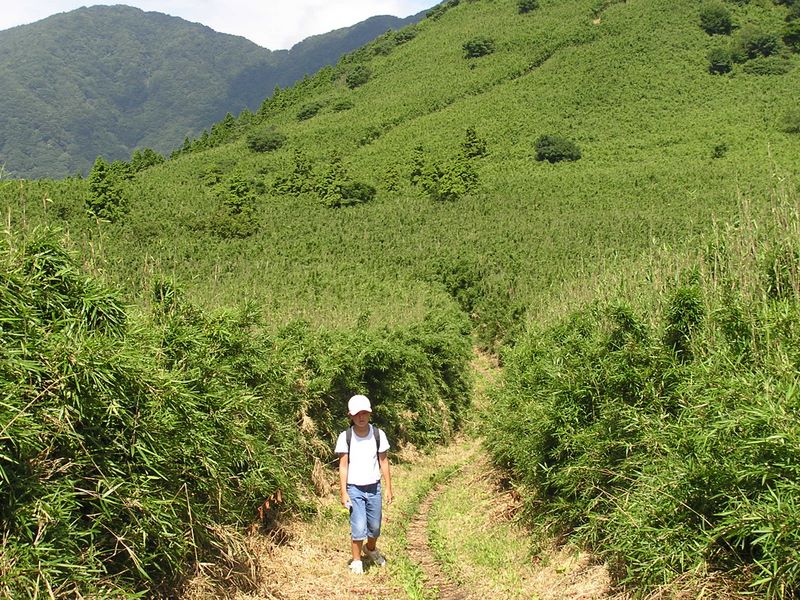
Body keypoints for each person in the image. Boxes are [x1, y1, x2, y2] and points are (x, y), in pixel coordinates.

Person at [334, 394, 393, 575]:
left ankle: (371, 549)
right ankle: (357, 561)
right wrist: (343, 492)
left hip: (374, 488)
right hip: (354, 489)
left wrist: (389, 487)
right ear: (350, 416)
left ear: (370, 414)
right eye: (357, 414)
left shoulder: (378, 435)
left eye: (364, 413)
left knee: (374, 527)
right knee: (358, 526)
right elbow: (343, 466)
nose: (361, 417)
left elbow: (384, 462)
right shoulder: (345, 437)